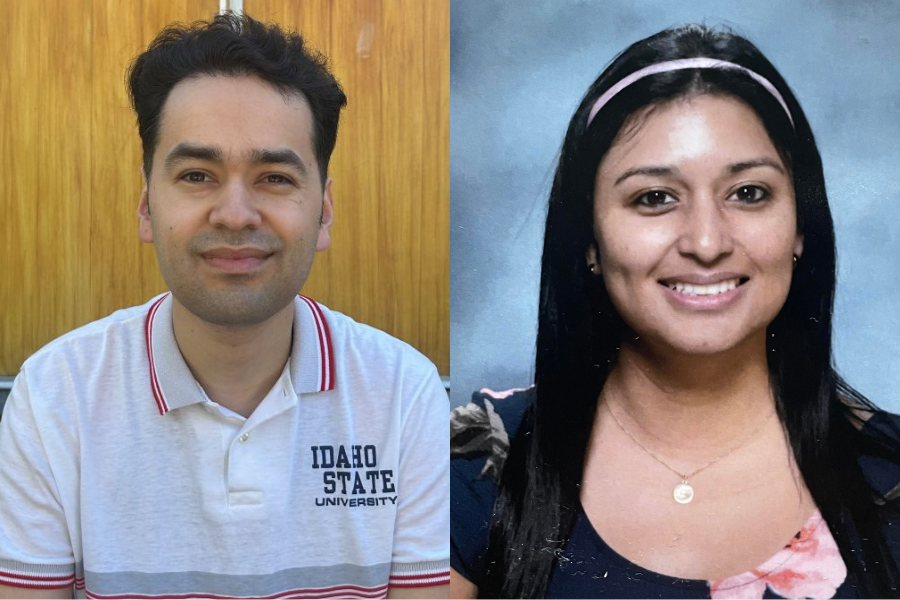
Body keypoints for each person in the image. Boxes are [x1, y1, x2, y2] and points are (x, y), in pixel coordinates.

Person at [0, 13, 449, 599]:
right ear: (145, 206)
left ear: (324, 212)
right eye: (196, 174)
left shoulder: (405, 395)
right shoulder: (54, 396)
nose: (235, 214)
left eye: (275, 178)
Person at [450, 24, 900, 599]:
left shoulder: (889, 477)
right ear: (588, 239)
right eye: (654, 198)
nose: (707, 242)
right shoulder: (481, 462)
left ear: (800, 228)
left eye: (749, 193)